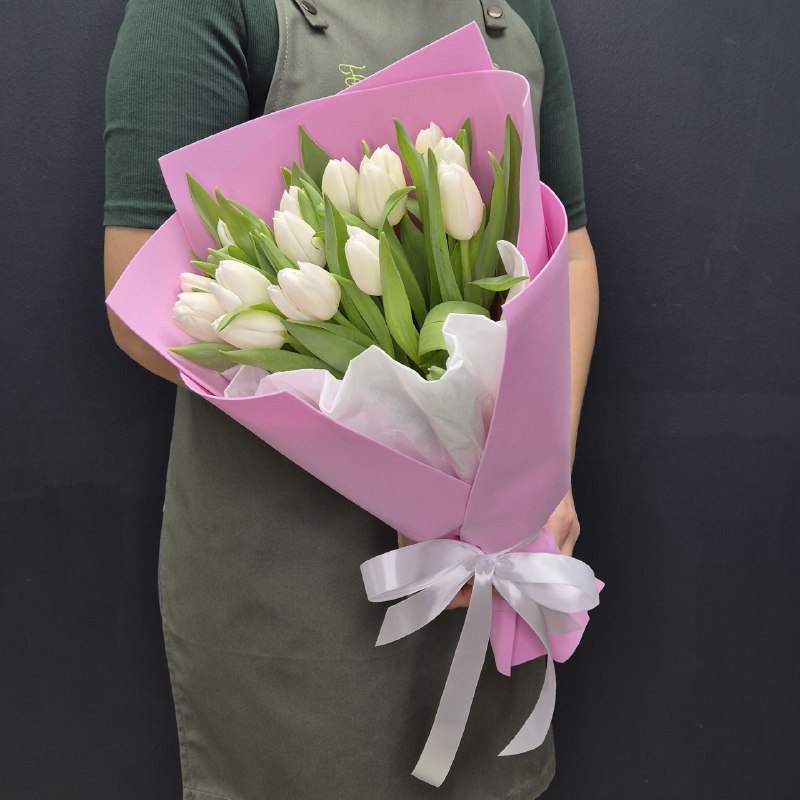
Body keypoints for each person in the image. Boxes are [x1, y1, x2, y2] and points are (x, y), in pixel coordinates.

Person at [103, 1, 599, 797]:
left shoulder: (516, 9)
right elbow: (145, 294)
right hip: (291, 581)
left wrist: (535, 476)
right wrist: (418, 472)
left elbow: (567, 254)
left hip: (492, 557)